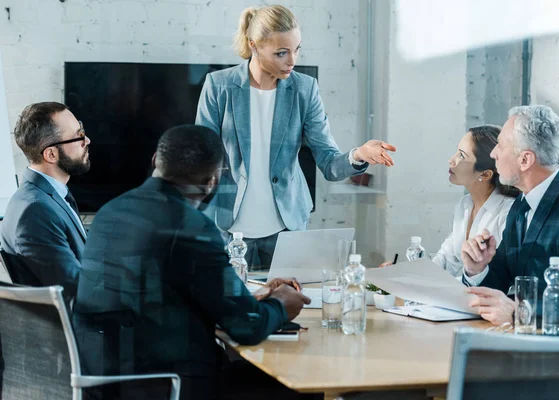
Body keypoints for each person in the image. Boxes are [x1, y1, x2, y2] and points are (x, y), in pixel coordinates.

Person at [73, 125, 311, 400]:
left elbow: (160, 292)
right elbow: (248, 328)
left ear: (154, 162)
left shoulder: (110, 212)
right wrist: (281, 304)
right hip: (170, 384)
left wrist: (253, 300)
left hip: (104, 379)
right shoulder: (192, 227)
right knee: (299, 385)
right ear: (212, 181)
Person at [196, 4, 396, 271]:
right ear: (254, 46)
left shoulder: (305, 89)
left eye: (296, 49)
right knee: (227, 307)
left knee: (285, 307)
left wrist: (358, 155)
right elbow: (200, 161)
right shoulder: (218, 85)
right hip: (226, 227)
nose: (292, 61)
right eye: (281, 53)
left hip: (286, 229)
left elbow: (329, 163)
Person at [461, 105, 559, 333]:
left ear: (525, 160)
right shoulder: (522, 203)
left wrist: (520, 313)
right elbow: (502, 281)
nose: (494, 153)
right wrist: (477, 269)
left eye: (501, 145)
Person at [380, 125, 518, 276]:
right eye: (456, 151)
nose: (451, 160)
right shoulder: (464, 205)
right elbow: (445, 261)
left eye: (461, 155)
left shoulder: (507, 213)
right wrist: (402, 273)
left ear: (485, 174)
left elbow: (501, 277)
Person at [0, 102, 90, 300]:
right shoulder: (34, 212)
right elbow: (78, 289)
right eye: (79, 136)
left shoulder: (47, 195)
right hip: (79, 324)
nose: (88, 141)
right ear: (51, 154)